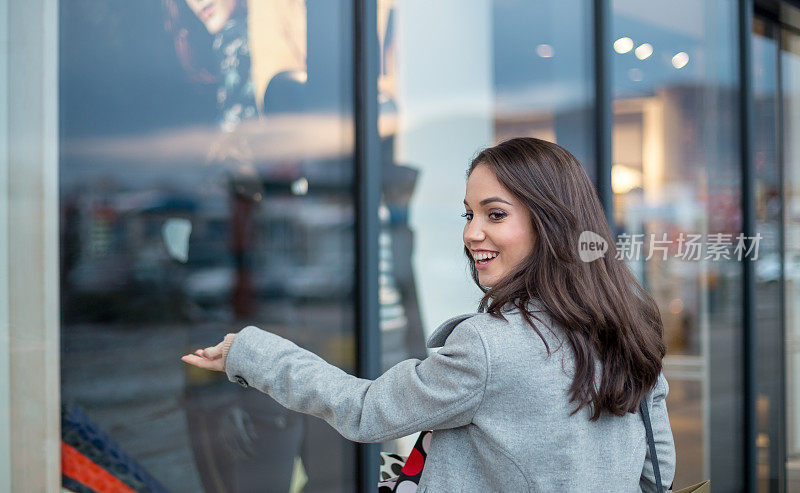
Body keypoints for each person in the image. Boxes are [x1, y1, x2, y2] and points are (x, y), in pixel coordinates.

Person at [181, 137, 676, 491]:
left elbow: (366, 410)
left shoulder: (491, 345)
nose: (471, 233)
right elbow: (658, 468)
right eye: (469, 213)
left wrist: (251, 352)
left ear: (550, 224)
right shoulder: (627, 324)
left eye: (495, 214)